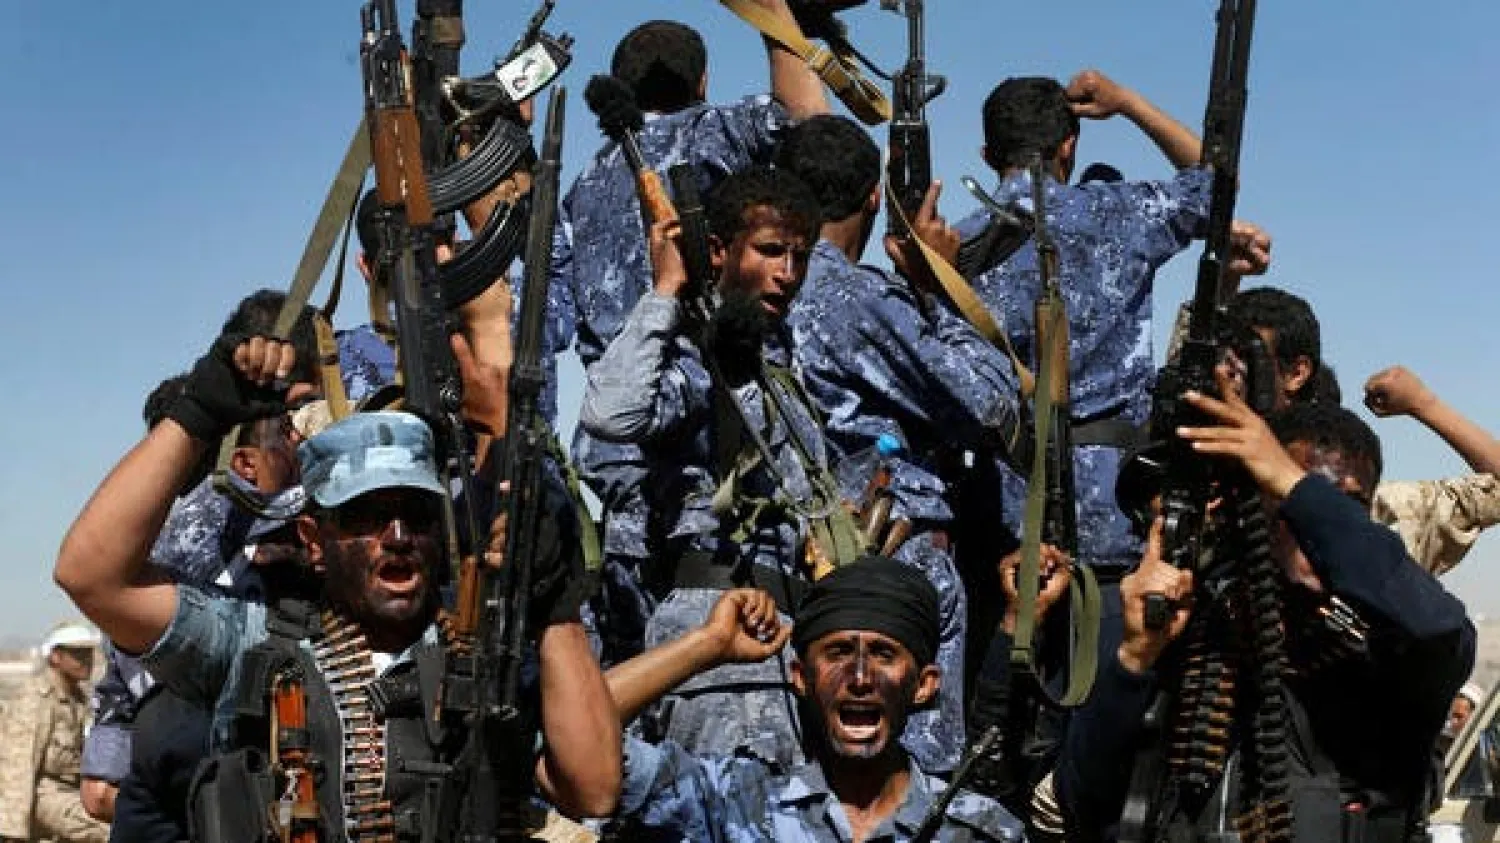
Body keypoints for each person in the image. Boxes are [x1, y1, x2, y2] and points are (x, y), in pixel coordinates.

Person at [55, 321, 620, 837]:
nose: (398, 534)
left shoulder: (477, 647)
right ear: (312, 539)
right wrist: (200, 412)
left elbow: (594, 786)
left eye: (416, 514)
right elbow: (91, 576)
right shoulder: (256, 643)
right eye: (366, 517)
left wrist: (553, 602)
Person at [1050, 390, 1475, 841]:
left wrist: (1297, 490)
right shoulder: (1190, 631)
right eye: (1288, 503)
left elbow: (1444, 634)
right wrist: (1134, 660)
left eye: (1344, 507)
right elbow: (1082, 798)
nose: (1314, 535)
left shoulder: (1387, 650)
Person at [558, 4, 830, 670]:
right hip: (704, 455)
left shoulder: (585, 185)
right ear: (703, 81)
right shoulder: (710, 134)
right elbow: (813, 129)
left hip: (620, 474)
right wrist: (782, 21)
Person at [780, 114, 1026, 773]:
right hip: (892, 558)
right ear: (871, 199)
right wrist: (941, 287)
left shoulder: (761, 288)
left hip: (800, 558)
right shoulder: (853, 294)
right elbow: (991, 401)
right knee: (913, 781)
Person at [955, 71, 1271, 577]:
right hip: (1116, 513)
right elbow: (1217, 182)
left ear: (988, 156)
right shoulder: (1122, 212)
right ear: (1068, 146)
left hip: (1004, 525)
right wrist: (1127, 103)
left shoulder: (953, 250)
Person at [580, 165, 837, 769]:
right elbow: (611, 416)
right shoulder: (697, 360)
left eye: (798, 258)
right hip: (718, 638)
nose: (786, 274)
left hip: (785, 631)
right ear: (718, 251)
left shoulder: (777, 362)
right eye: (770, 252)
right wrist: (667, 288)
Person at [579, 556, 1026, 841]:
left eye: (884, 655)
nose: (859, 677)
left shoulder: (982, 830)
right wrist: (707, 646)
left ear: (924, 685)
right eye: (837, 653)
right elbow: (572, 745)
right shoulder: (737, 800)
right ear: (800, 677)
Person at [0, 622, 109, 843]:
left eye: (88, 653)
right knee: (106, 830)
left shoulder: (80, 700)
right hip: (42, 793)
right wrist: (12, 831)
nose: (86, 660)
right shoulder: (36, 699)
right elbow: (18, 764)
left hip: (71, 789)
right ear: (56, 657)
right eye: (77, 654)